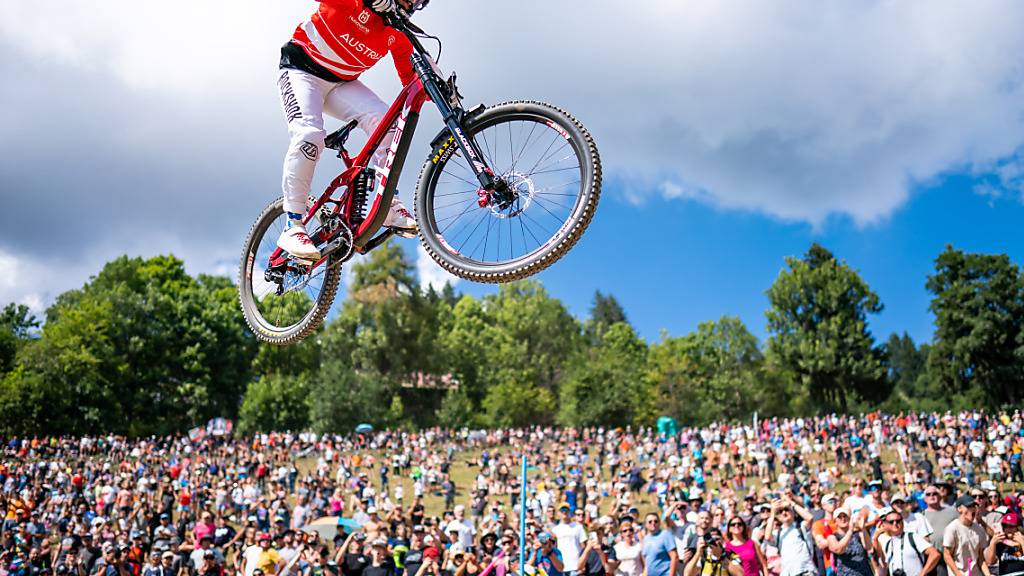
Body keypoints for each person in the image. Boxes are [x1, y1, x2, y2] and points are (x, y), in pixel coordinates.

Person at [274, 0, 421, 261]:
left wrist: (440, 84)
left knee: (386, 120)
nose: (411, 3)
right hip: (301, 70)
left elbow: (412, 79)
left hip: (342, 84)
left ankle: (385, 204)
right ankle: (293, 225)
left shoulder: (396, 31)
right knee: (309, 135)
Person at [876, 509, 940, 576]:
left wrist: (922, 573)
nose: (895, 523)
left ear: (902, 522)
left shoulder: (912, 537)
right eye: (891, 522)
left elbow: (935, 554)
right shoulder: (888, 544)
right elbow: (883, 568)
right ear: (886, 524)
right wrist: (875, 538)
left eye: (898, 521)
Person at [942, 496, 990, 576]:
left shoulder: (979, 529)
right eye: (969, 506)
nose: (973, 509)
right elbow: (947, 555)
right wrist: (958, 574)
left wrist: (988, 574)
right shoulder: (952, 528)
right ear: (959, 509)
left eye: (974, 506)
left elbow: (980, 558)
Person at [825, 507, 873, 576]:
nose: (843, 519)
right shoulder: (832, 537)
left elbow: (869, 548)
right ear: (835, 521)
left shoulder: (858, 534)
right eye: (839, 517)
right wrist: (850, 531)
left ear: (849, 518)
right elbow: (838, 549)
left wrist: (863, 528)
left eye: (845, 516)